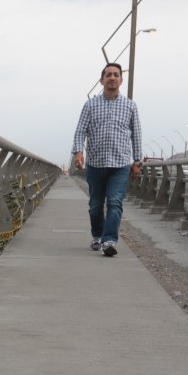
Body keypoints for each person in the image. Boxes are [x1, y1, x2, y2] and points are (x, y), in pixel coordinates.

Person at [72, 62, 143, 256]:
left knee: (114, 202)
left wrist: (137, 161)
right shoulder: (90, 105)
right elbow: (80, 131)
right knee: (95, 205)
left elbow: (136, 134)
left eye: (116, 75)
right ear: (101, 80)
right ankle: (97, 235)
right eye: (108, 75)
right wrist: (78, 152)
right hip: (96, 164)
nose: (112, 78)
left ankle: (109, 240)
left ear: (121, 80)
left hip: (120, 164)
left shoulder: (130, 106)